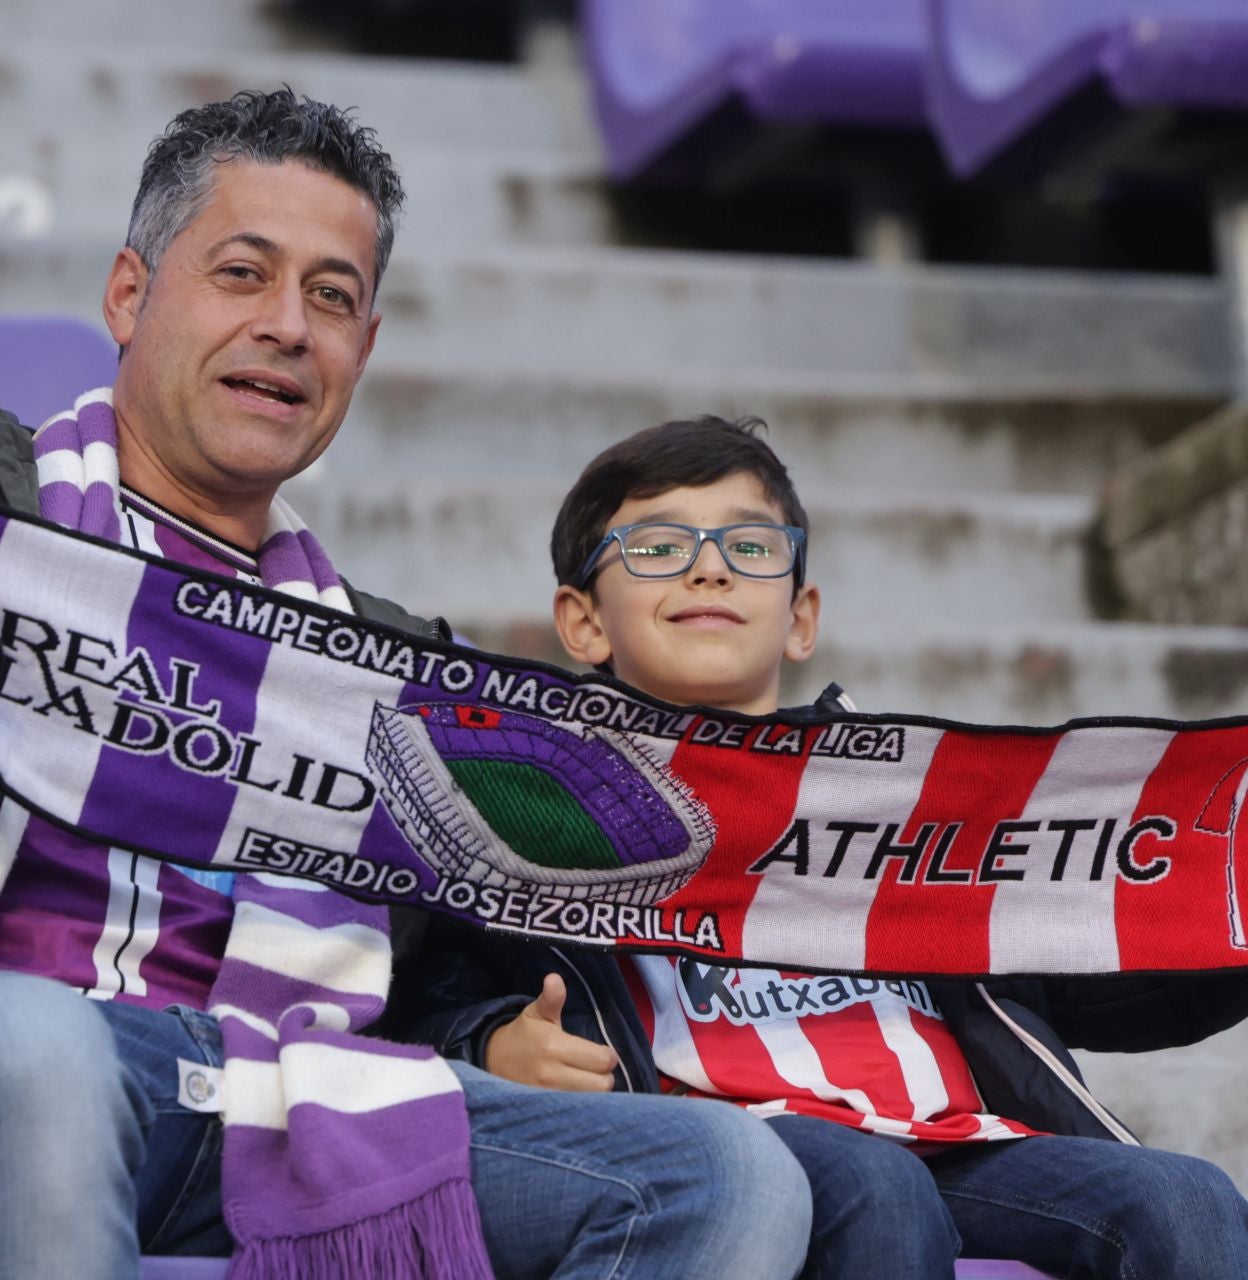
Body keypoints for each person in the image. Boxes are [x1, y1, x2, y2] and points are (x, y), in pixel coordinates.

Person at [0, 92, 813, 1279]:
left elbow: (423, 994)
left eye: (333, 296)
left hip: (271, 1106)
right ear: (131, 293)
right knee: (34, 1049)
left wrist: (483, 1050)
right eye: (241, 274)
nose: (287, 328)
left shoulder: (383, 665)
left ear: (364, 348)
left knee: (727, 1180)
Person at [390, 413, 1248, 1278]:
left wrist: (1231, 929)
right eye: (656, 547)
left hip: (962, 1145)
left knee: (1187, 1196)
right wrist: (491, 1041)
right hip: (737, 1144)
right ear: (582, 623)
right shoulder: (537, 803)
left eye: (752, 547)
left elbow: (1075, 965)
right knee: (876, 1184)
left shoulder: (895, 800)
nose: (710, 565)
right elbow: (425, 990)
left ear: (801, 618)